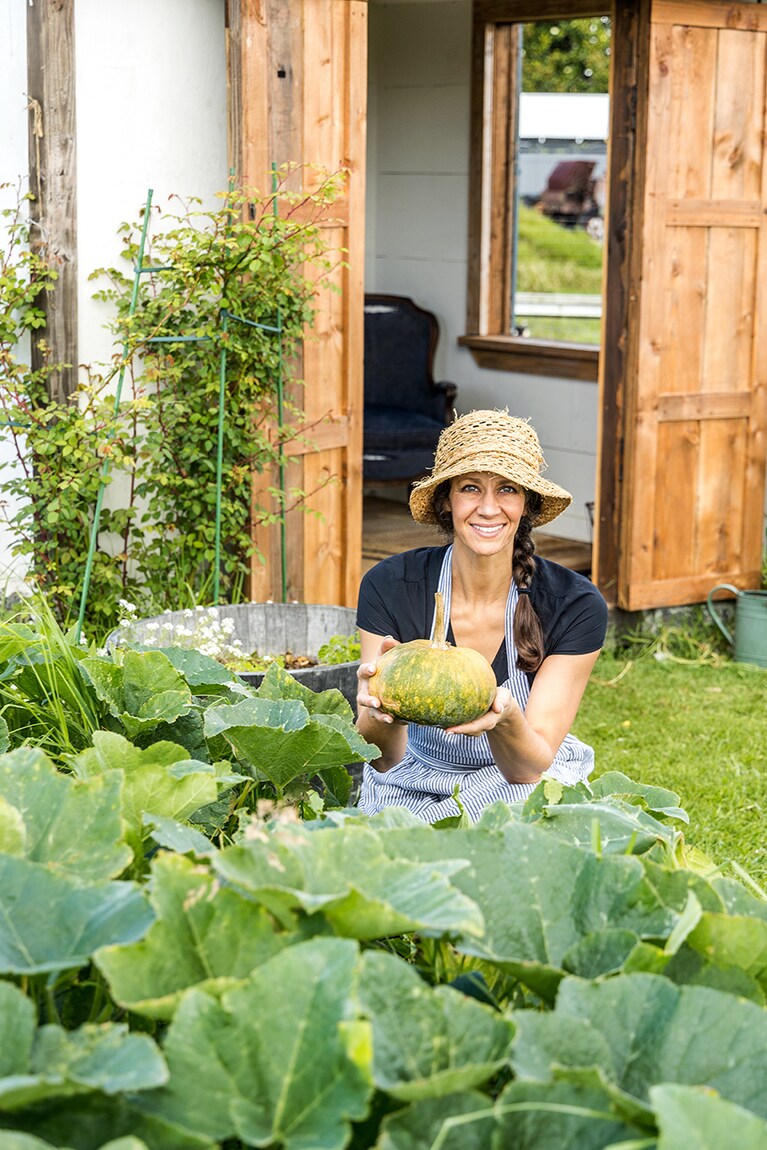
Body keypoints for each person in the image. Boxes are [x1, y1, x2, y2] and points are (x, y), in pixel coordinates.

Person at [355, 408, 608, 822]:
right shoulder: (389, 586)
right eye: (471, 488)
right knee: (395, 846)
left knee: (505, 828)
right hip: (412, 774)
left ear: (527, 504)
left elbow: (528, 767)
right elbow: (383, 759)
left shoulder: (574, 604)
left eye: (508, 489)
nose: (489, 508)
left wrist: (505, 719)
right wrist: (383, 714)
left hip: (518, 777)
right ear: (446, 500)